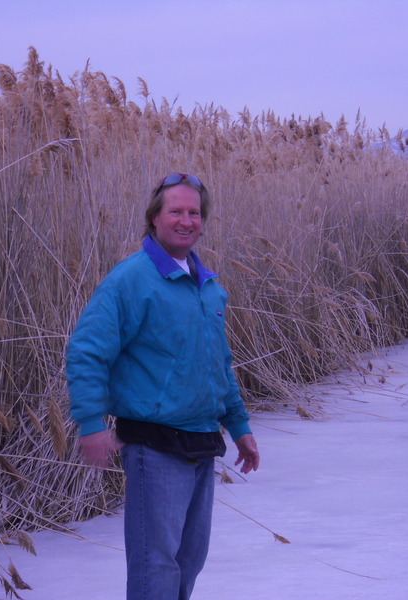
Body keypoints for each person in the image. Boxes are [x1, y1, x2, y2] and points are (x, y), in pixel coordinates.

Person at [66, 172, 260, 600]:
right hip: (154, 448)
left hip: (203, 441)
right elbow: (86, 351)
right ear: (154, 218)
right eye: (176, 211)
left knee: (188, 563)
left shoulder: (208, 288)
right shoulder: (131, 280)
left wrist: (240, 425)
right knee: (156, 566)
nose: (186, 220)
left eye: (194, 212)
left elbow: (219, 365)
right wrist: (90, 422)